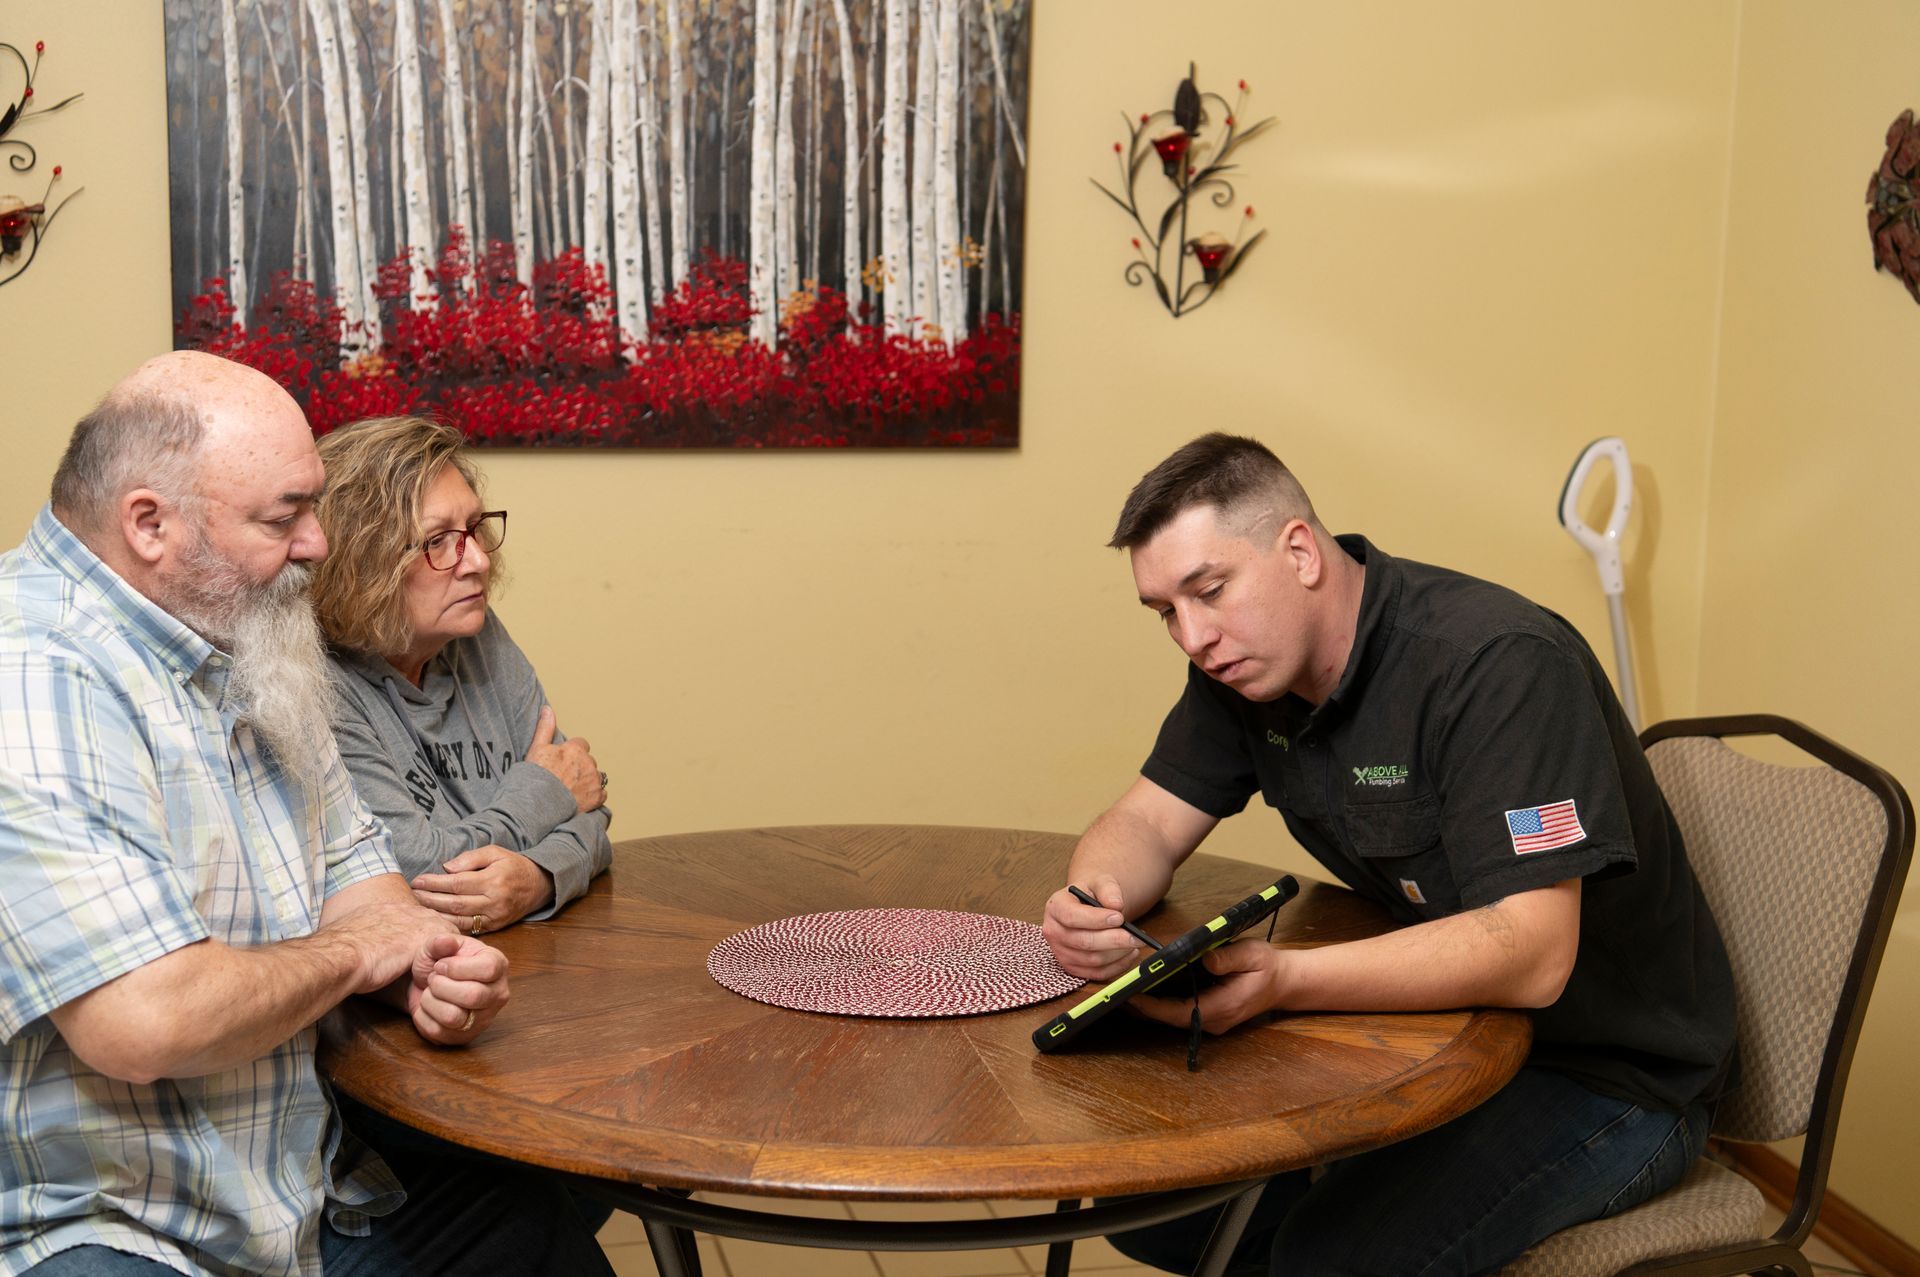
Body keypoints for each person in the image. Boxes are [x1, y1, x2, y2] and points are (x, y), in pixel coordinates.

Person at [1044, 433, 1737, 1276]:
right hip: (1439, 1032)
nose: (1192, 635)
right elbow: (1146, 823)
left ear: (1299, 550)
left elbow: (1534, 956)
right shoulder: (1244, 671)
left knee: (1322, 1259)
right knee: (1151, 1210)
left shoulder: (1498, 665)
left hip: (1608, 1075)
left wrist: (1285, 982)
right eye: (1165, 611)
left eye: (1210, 590)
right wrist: (1093, 900)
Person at [0, 352, 613, 1277]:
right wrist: (356, 955)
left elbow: (372, 889)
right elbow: (147, 1021)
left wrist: (423, 972)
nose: (320, 544)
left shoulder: (247, 639)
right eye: (285, 516)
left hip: (296, 1197)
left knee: (534, 1206)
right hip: (102, 1226)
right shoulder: (36, 674)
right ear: (149, 523)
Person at [309, 416, 611, 938]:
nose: (476, 561)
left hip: (529, 964)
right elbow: (416, 874)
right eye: (438, 540)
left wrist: (536, 879)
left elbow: (591, 815)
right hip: (403, 992)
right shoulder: (318, 686)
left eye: (473, 529)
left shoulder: (474, 630)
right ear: (362, 563)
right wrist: (547, 795)